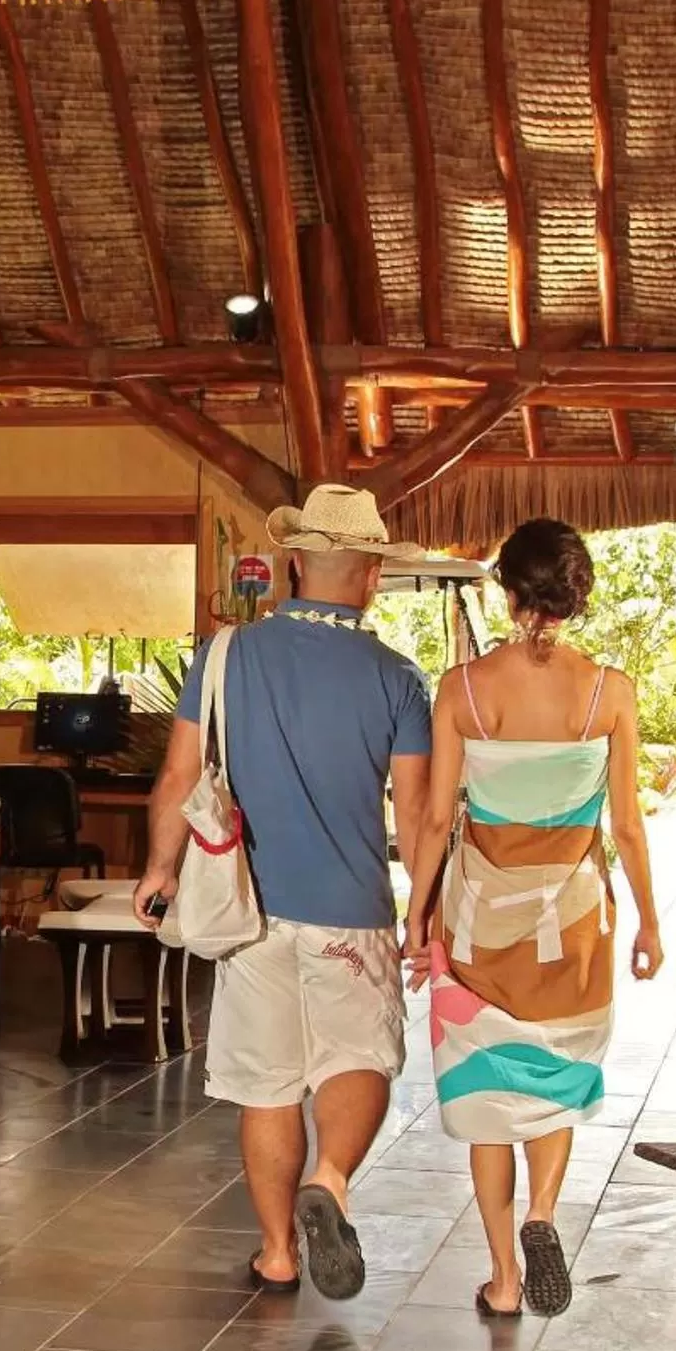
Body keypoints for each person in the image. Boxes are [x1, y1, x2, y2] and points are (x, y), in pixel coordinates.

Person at [135, 484, 432, 1300]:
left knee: (266, 1084)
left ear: (296, 562)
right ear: (370, 574)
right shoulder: (399, 679)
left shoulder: (223, 656)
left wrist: (160, 870)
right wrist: (423, 912)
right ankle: (329, 1180)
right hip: (352, 912)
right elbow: (416, 814)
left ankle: (275, 1253)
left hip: (247, 911)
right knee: (360, 1055)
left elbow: (177, 774)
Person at [403, 519, 663, 1320]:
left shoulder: (464, 689)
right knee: (554, 1083)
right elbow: (624, 825)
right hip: (573, 922)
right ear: (574, 595)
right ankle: (543, 1216)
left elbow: (435, 818)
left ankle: (503, 1279)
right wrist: (650, 922)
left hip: (480, 921)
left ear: (507, 589)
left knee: (489, 1097)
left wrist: (416, 919)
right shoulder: (605, 690)